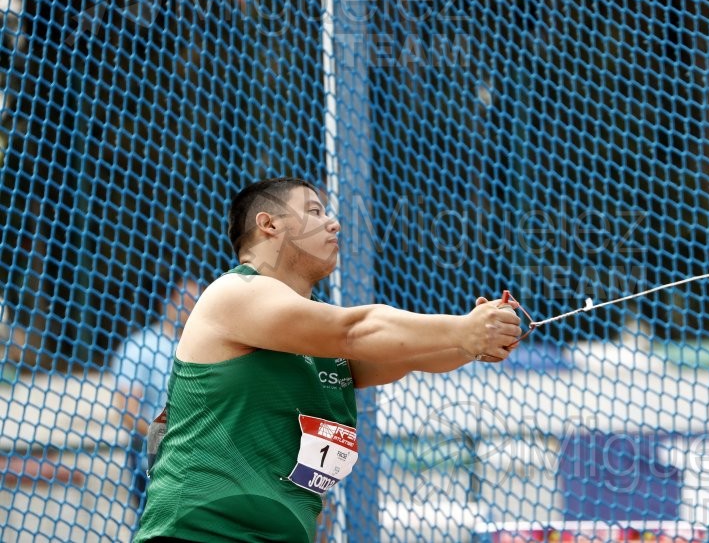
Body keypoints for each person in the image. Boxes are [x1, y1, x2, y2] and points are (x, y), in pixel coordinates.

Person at [133, 177, 521, 543]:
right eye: (315, 212)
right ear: (268, 224)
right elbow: (354, 329)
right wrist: (462, 329)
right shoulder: (236, 292)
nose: (334, 224)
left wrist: (476, 341)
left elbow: (408, 355)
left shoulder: (313, 331)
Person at [110, 276, 200, 512]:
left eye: (197, 301)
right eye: (187, 300)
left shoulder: (203, 349)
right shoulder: (141, 346)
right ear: (167, 302)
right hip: (153, 462)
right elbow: (128, 411)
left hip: (197, 463)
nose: (191, 307)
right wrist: (168, 442)